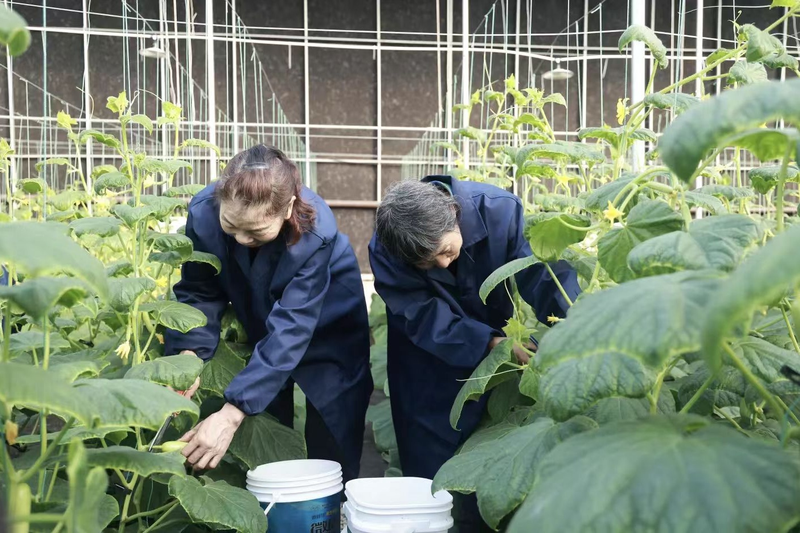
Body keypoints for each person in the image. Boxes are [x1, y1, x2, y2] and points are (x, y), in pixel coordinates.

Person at [368, 175, 580, 531]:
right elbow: (420, 313)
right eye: (429, 264)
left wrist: (578, 327)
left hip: (496, 332)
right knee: (432, 473)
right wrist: (488, 343)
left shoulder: (498, 211)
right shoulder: (387, 248)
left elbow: (542, 276)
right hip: (426, 352)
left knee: (498, 446)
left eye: (446, 252)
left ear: (454, 213)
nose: (443, 266)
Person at [164, 144, 373, 483]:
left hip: (328, 318)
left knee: (335, 417)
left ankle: (333, 506)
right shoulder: (203, 214)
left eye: (256, 231)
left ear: (288, 207)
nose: (243, 239)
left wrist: (230, 414)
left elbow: (292, 327)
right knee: (267, 414)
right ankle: (274, 500)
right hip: (258, 306)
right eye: (231, 227)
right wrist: (188, 356)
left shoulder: (315, 232)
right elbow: (199, 290)